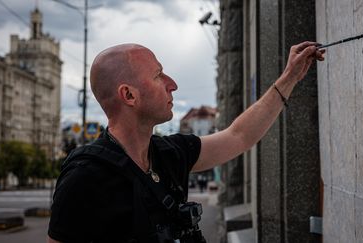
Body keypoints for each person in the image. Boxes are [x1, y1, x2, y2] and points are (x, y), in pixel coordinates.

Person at [48, 42, 325, 243]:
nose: (172, 84)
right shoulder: (84, 176)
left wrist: (289, 79)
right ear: (129, 95)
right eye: (158, 75)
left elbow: (239, 136)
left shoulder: (169, 153)